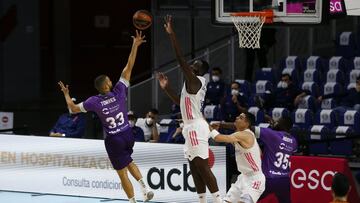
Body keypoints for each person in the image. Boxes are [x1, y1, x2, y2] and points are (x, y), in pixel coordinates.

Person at [57, 30, 153, 203]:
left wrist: (66, 93)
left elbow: (71, 109)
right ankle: (145, 188)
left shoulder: (94, 102)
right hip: (127, 134)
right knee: (129, 161)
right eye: (109, 79)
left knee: (122, 172)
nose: (111, 80)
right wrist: (135, 45)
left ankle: (133, 201)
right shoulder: (119, 91)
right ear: (108, 84)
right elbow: (128, 66)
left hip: (114, 139)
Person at [157, 15, 222, 203]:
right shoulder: (191, 84)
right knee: (194, 168)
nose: (193, 64)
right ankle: (202, 200)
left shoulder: (196, 80)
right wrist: (166, 88)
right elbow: (180, 102)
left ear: (201, 71)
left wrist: (172, 34)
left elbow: (179, 59)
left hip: (195, 126)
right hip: (190, 126)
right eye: (193, 63)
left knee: (202, 167)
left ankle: (218, 200)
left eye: (196, 64)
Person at [209, 112, 265, 203]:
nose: (236, 117)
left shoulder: (244, 135)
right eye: (238, 116)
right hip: (243, 177)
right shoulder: (244, 136)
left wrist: (207, 126)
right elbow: (260, 153)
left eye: (241, 118)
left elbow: (218, 138)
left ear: (247, 124)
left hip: (254, 179)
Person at [255, 116, 297, 203]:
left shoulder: (272, 134)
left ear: (282, 125)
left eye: (278, 121)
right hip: (284, 180)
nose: (275, 122)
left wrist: (222, 125)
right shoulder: (293, 141)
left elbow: (249, 129)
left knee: (249, 199)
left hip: (269, 179)